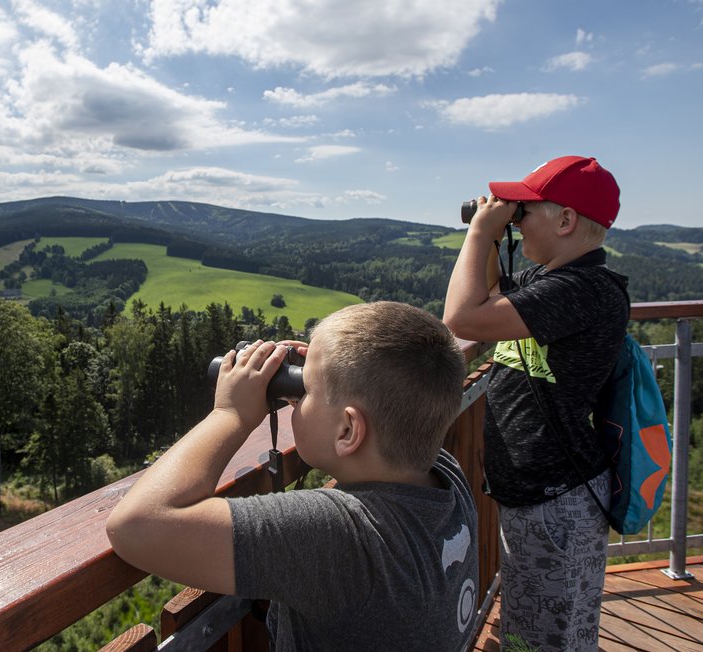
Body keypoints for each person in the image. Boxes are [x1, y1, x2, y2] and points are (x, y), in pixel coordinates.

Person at [107, 301, 478, 651]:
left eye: (305, 389)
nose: (297, 397)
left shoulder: (342, 539)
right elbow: (400, 406)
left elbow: (135, 525)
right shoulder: (444, 475)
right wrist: (325, 370)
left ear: (348, 431)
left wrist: (229, 414)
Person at [443, 156, 629, 651]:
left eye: (525, 208)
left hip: (557, 499)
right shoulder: (551, 281)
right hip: (538, 493)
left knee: (551, 633)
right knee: (534, 621)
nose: (515, 215)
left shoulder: (583, 289)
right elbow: (488, 296)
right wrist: (494, 239)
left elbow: (463, 318)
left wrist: (480, 232)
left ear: (565, 220)